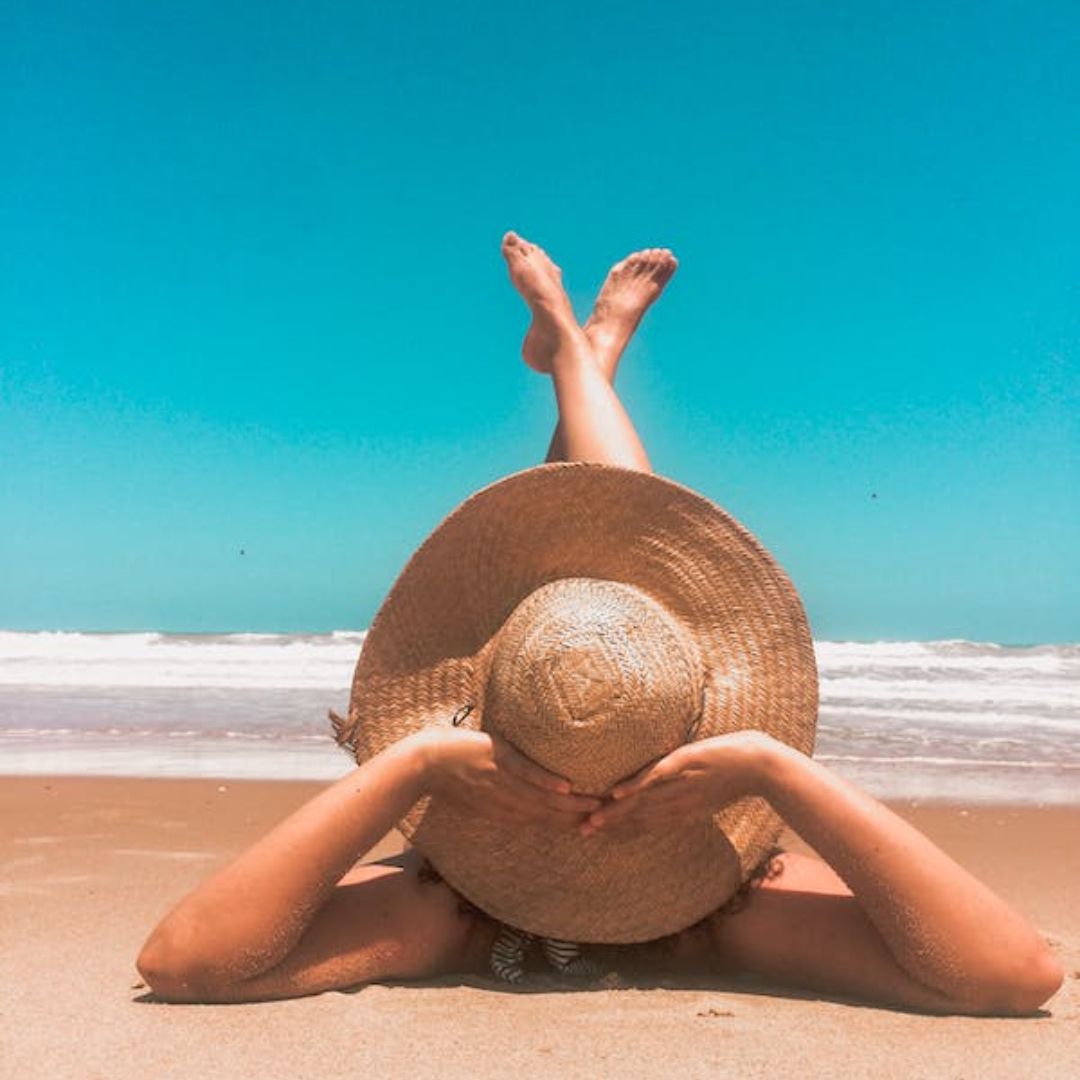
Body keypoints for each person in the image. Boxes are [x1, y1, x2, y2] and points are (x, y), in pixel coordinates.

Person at [136, 232, 1063, 1014]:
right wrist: (771, 769)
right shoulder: (716, 907)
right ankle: (585, 362)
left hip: (531, 822)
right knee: (599, 598)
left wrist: (412, 767)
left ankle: (584, 362)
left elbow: (1016, 975)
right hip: (625, 821)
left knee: (598, 587)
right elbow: (180, 964)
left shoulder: (449, 909)